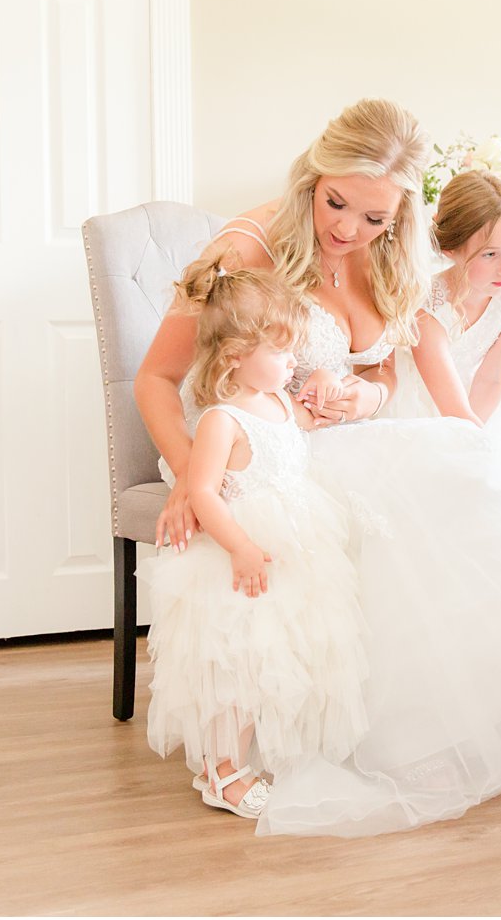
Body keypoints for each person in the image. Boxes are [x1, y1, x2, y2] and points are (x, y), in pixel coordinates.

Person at [135, 99, 501, 835]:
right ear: (312, 176)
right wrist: (193, 485)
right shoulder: (250, 246)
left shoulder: (388, 257)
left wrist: (360, 394)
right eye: (337, 204)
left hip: (341, 440)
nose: (349, 231)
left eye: (375, 219)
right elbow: (156, 380)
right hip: (252, 457)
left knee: (471, 477)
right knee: (443, 490)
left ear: (402, 215)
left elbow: (385, 376)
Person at [141, 259, 367, 822]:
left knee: (274, 660)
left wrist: (322, 393)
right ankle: (223, 773)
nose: (293, 361)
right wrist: (240, 546)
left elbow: (299, 435)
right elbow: (204, 493)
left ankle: (238, 759)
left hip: (290, 552)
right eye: (283, 351)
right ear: (235, 356)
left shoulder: (281, 403)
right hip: (237, 560)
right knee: (236, 668)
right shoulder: (221, 420)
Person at [380, 169, 501, 464]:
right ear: (450, 249)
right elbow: (452, 409)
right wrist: (468, 448)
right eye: (490, 255)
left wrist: (478, 445)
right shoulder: (425, 308)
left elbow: (493, 376)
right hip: (427, 407)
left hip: (483, 402)